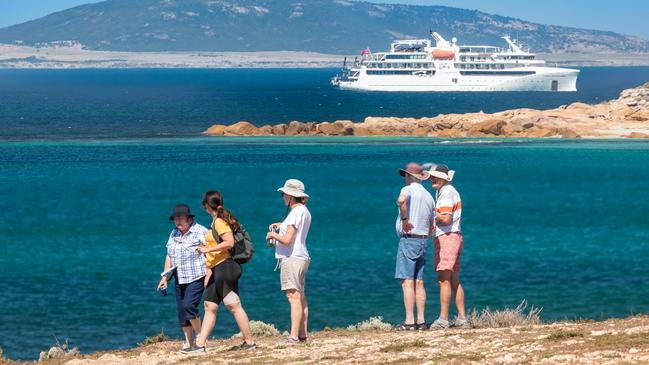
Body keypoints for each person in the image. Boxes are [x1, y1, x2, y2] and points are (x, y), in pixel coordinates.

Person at [194, 191, 256, 352]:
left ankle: (249, 342)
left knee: (233, 305)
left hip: (226, 267)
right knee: (209, 306)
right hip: (217, 269)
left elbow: (228, 243)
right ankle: (200, 344)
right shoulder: (215, 221)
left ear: (206, 206)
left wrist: (207, 250)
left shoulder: (219, 222)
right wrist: (209, 269)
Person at [265, 179, 311, 345]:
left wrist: (272, 235)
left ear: (291, 196)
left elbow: (287, 239)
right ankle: (303, 335)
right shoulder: (303, 211)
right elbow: (294, 231)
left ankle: (293, 336)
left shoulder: (295, 212)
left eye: (284, 194)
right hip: (302, 257)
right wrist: (281, 224)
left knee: (293, 297)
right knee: (300, 297)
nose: (283, 196)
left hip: (292, 258)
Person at [157, 204, 207, 353]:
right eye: (175, 219)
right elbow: (169, 255)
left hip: (197, 275)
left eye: (180, 218)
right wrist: (165, 277)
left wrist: (210, 272)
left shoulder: (201, 231)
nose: (177, 221)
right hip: (180, 277)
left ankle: (200, 338)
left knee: (189, 306)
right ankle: (188, 342)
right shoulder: (174, 233)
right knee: (182, 311)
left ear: (189, 218)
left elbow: (211, 252)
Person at [426, 164, 469, 329]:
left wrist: (430, 212)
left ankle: (443, 319)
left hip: (447, 237)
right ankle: (462, 318)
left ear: (444, 178)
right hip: (455, 236)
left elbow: (445, 219)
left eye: (435, 176)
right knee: (453, 279)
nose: (432, 179)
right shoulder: (449, 191)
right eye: (431, 176)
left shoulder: (446, 194)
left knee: (444, 279)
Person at [394, 163, 435, 331]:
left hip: (409, 239)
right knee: (419, 281)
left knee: (407, 281)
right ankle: (421, 320)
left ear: (410, 177)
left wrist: (405, 220)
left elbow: (401, 201)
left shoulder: (408, 190)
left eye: (405, 175)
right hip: (423, 240)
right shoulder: (429, 196)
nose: (404, 178)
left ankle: (409, 321)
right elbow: (433, 222)